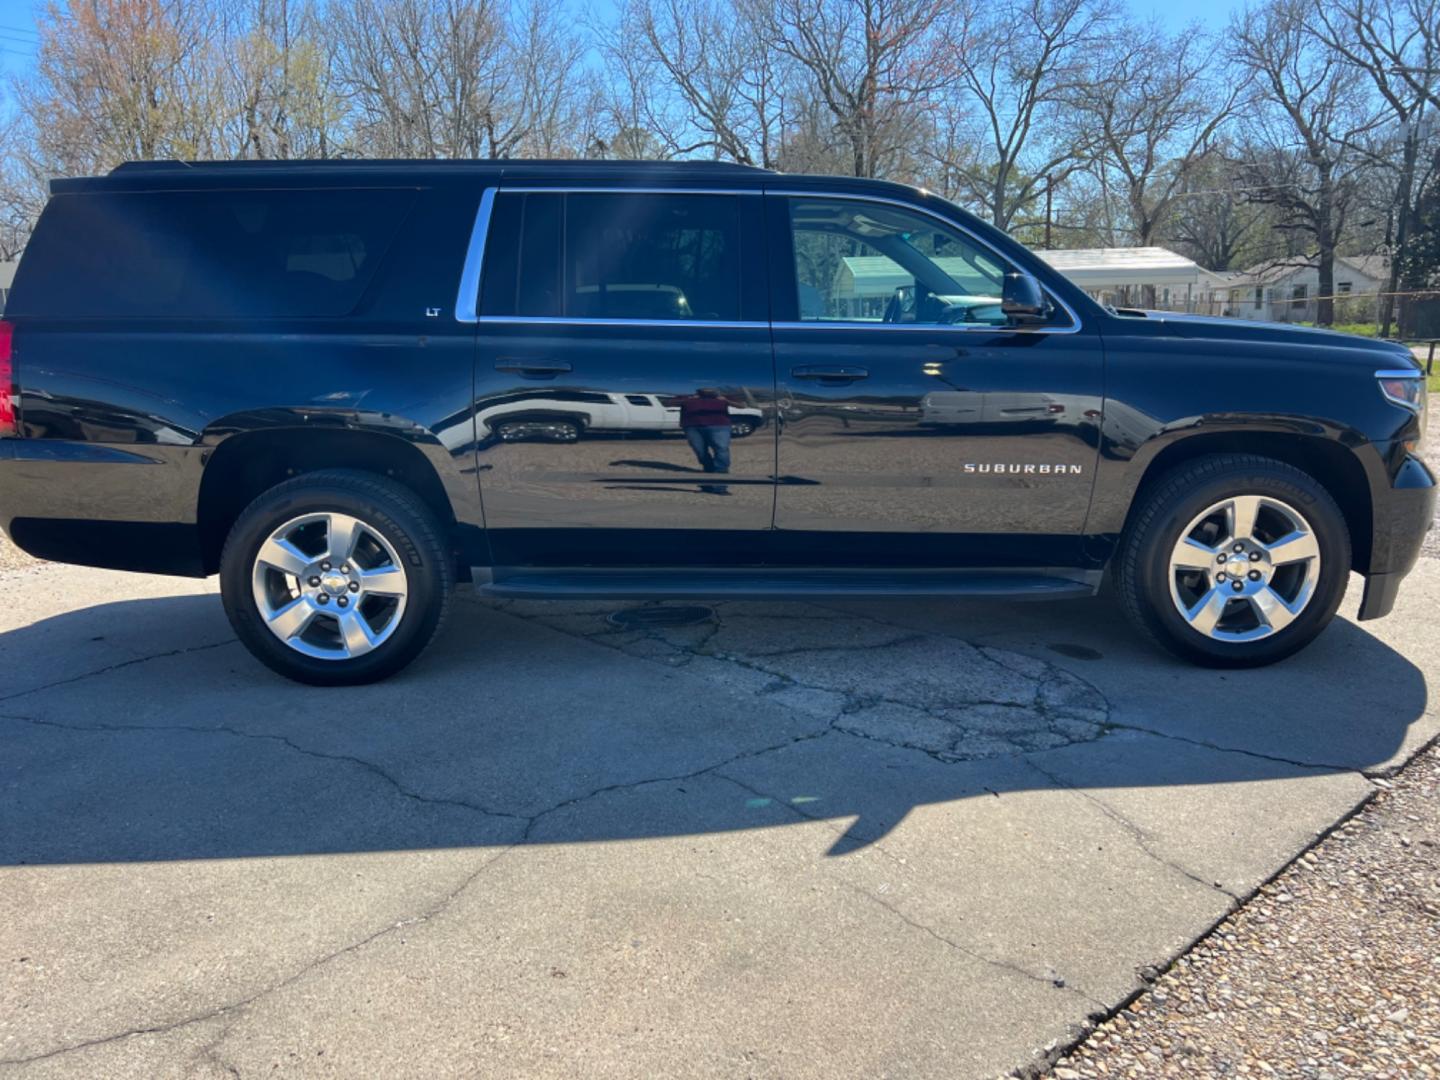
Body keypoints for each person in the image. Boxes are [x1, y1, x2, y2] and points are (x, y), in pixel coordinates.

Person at [675, 387, 732, 474]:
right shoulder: (687, 398)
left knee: (721, 448)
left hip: (719, 425)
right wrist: (688, 399)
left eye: (711, 391)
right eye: (705, 391)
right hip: (692, 426)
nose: (708, 393)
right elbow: (667, 403)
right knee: (700, 450)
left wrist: (727, 401)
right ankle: (709, 468)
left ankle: (721, 471)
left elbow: (742, 406)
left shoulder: (723, 398)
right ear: (698, 392)